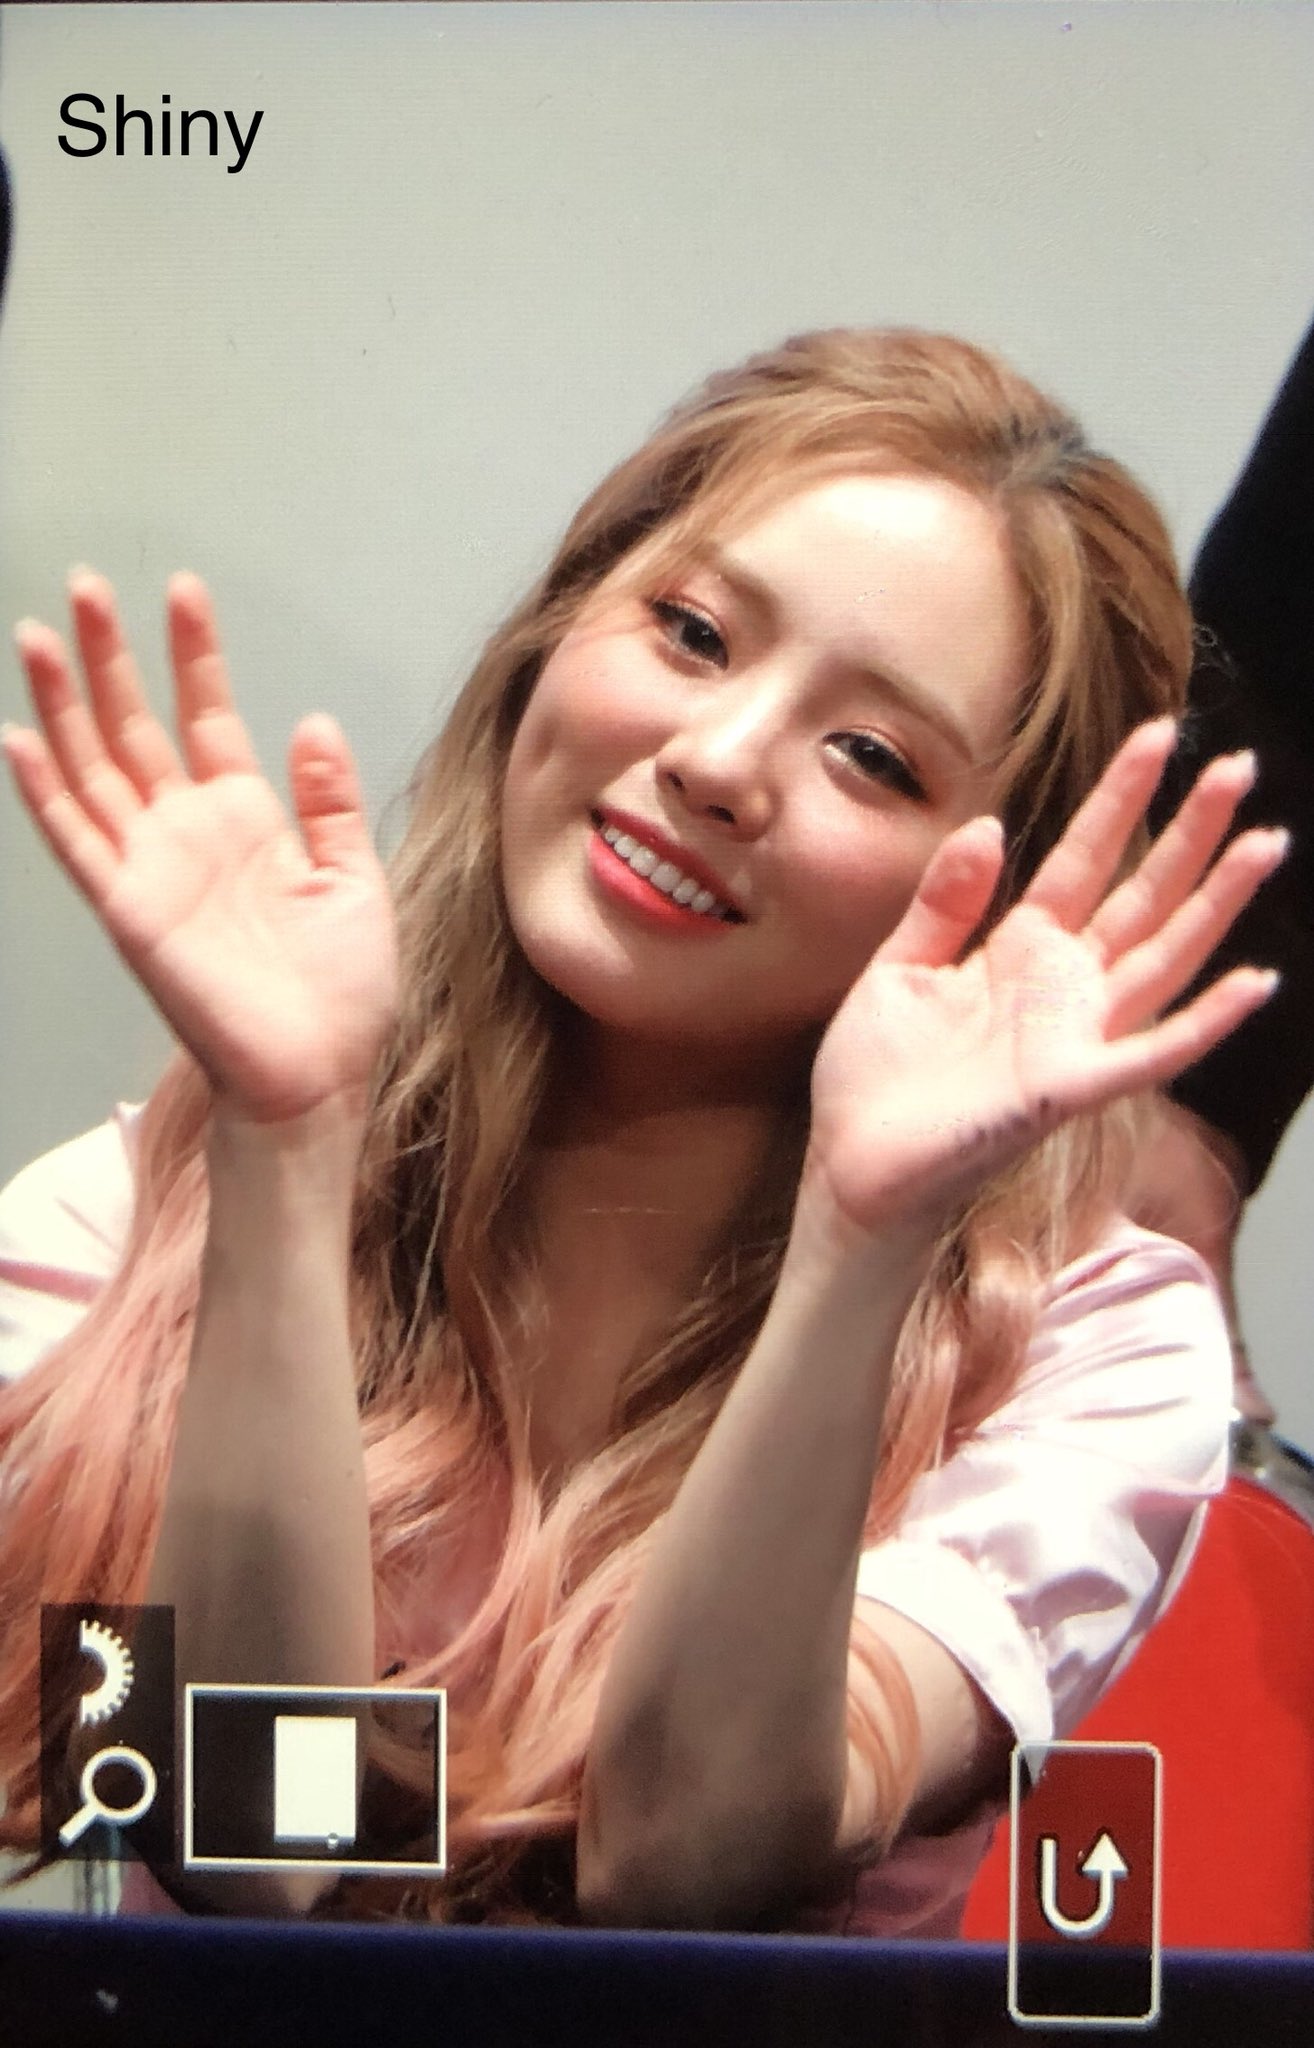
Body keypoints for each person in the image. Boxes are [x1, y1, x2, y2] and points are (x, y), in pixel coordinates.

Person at [0, 329, 1287, 1936]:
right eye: (690, 634)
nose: (718, 762)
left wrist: (863, 1243)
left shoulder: (1096, 1346)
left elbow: (682, 1867)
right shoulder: (119, 1219)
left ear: (1001, 891)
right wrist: (283, 1146)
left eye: (871, 757)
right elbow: (250, 1847)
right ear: (558, 623)